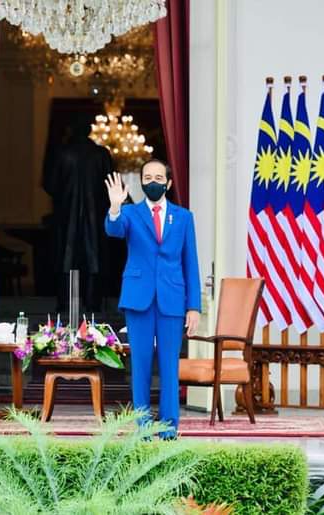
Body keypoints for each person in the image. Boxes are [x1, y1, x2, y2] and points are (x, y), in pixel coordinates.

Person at [104, 159, 201, 438]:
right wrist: (114, 206)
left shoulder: (183, 217)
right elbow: (114, 230)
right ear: (142, 183)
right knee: (142, 363)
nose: (153, 182)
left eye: (159, 177)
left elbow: (190, 263)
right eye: (147, 177)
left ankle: (169, 428)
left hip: (171, 298)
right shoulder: (131, 213)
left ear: (169, 183)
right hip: (139, 298)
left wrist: (193, 306)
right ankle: (143, 427)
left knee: (170, 364)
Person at [43, 114, 112, 313]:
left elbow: (51, 184)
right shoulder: (101, 154)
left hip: (67, 216)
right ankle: (93, 305)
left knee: (67, 259)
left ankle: (65, 304)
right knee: (94, 260)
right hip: (96, 216)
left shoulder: (62, 153)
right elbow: (111, 185)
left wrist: (64, 197)